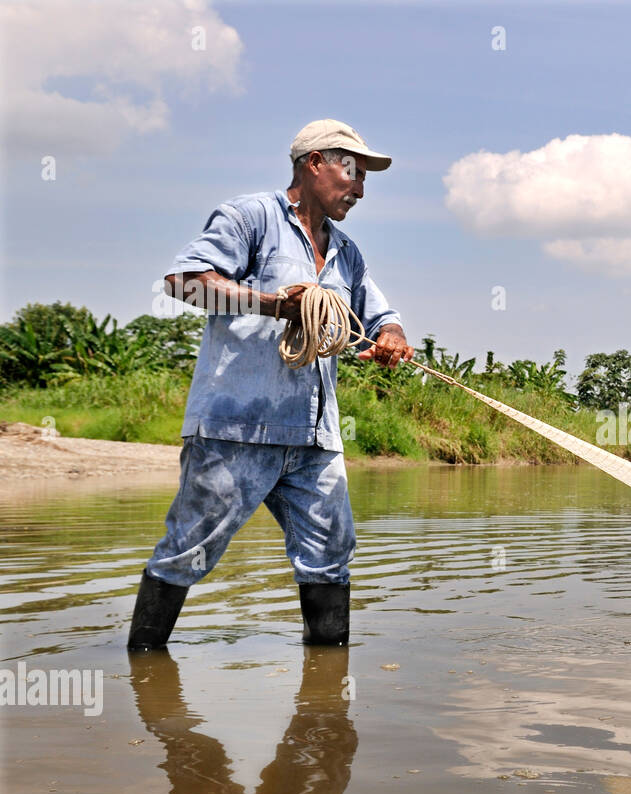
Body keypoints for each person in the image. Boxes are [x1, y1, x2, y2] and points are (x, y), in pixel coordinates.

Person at [128, 119, 415, 650]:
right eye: (352, 172)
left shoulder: (347, 252)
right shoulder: (251, 217)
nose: (359, 189)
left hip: (314, 438)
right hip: (235, 427)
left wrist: (391, 337)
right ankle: (144, 664)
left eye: (365, 179)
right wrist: (273, 303)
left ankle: (325, 700)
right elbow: (184, 282)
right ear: (314, 163)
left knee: (332, 552)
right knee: (190, 548)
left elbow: (380, 316)